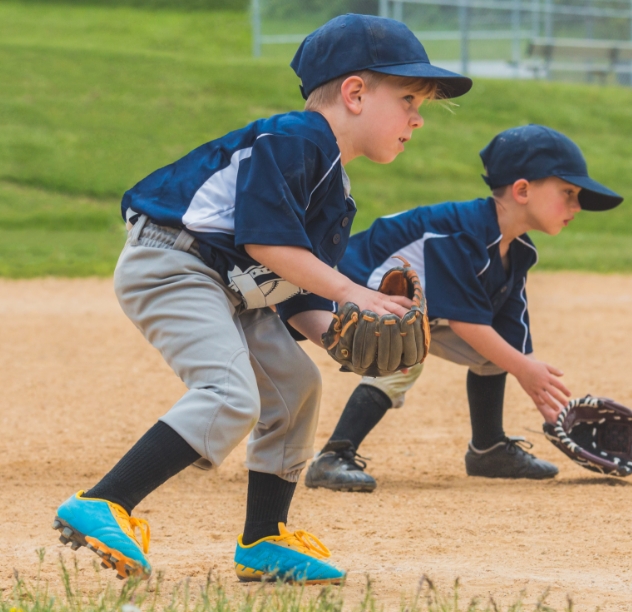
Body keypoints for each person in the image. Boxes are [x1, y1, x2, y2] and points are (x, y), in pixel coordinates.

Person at [51, 14, 472, 584]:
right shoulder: (294, 139)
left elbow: (292, 286)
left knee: (297, 387)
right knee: (228, 394)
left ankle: (263, 539)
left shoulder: (334, 188)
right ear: (354, 93)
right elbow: (264, 240)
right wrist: (351, 291)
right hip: (175, 263)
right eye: (408, 98)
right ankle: (105, 501)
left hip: (235, 287)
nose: (418, 118)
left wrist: (339, 336)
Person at [302, 125, 623, 492]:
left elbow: (511, 339)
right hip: (342, 294)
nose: (577, 205)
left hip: (406, 310)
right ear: (522, 190)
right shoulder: (462, 235)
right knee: (404, 347)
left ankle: (488, 449)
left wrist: (547, 402)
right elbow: (466, 322)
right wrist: (522, 368)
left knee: (494, 353)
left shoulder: (517, 250)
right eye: (568, 192)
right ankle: (333, 456)